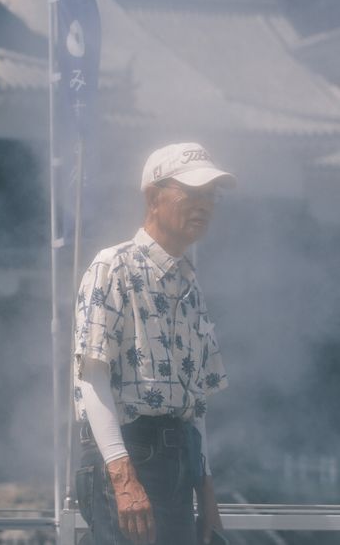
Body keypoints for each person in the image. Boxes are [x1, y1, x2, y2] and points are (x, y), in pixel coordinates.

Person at [74, 142, 235, 545]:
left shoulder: (190, 282)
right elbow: (91, 377)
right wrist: (123, 477)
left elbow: (195, 401)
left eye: (210, 197)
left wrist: (207, 490)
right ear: (153, 197)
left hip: (179, 455)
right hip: (130, 453)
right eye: (192, 194)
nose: (204, 206)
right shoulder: (113, 266)